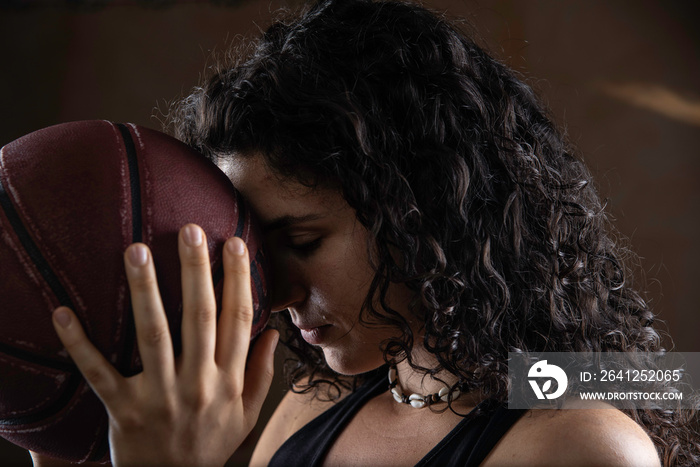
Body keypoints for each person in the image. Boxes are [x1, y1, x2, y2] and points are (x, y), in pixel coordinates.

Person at [32, 0, 699, 465]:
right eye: (262, 249)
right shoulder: (305, 410)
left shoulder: (581, 447)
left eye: (304, 238)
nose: (279, 289)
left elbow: (651, 381)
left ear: (425, 210)